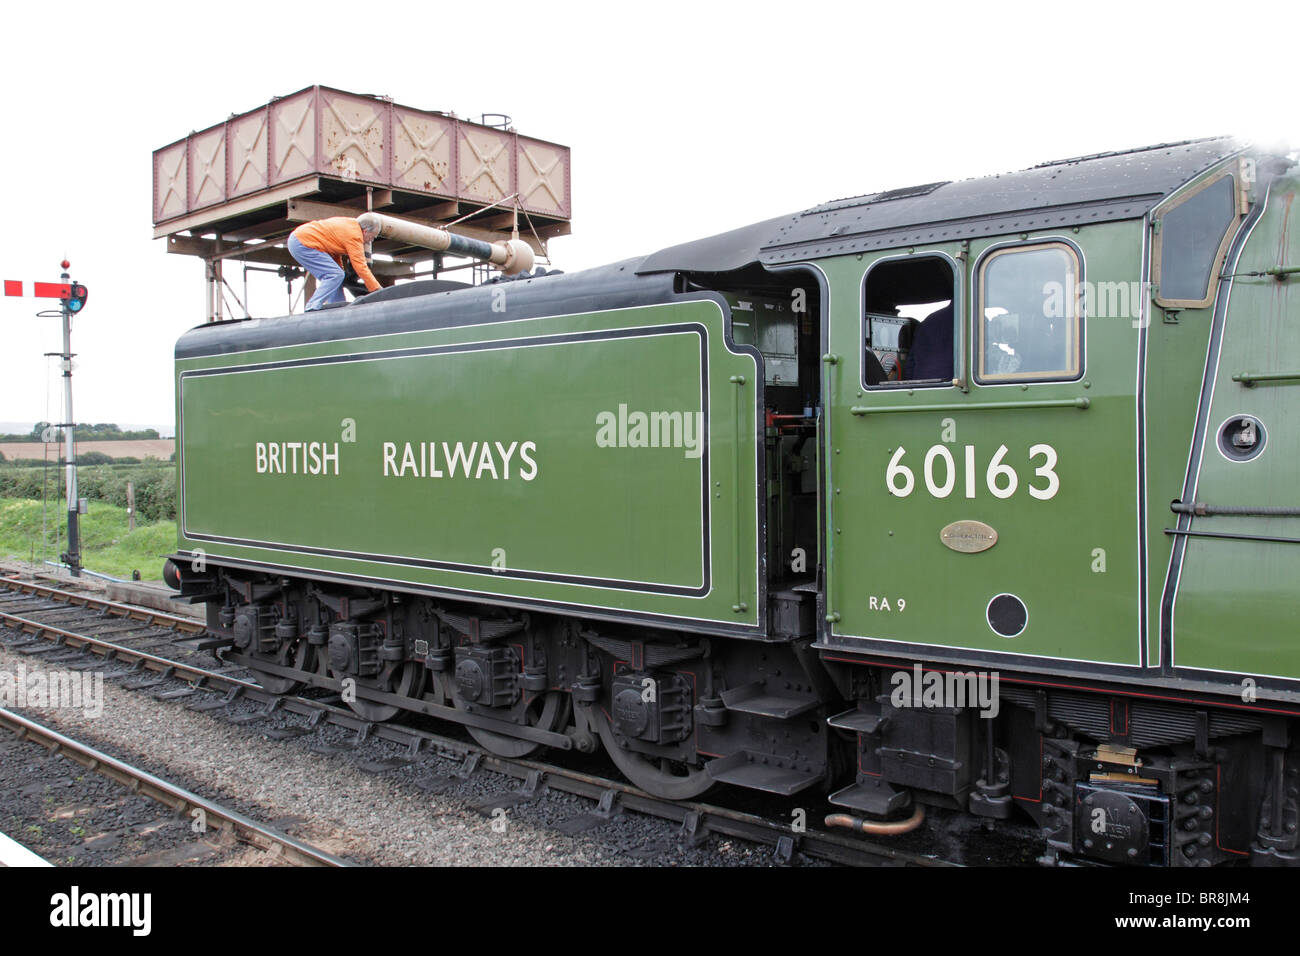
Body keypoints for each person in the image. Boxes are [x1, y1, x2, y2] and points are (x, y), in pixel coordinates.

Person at [288, 213, 383, 311]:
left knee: (337, 276)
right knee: (335, 275)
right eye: (372, 237)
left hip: (300, 240)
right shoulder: (355, 235)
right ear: (365, 231)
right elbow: (360, 266)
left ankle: (337, 306)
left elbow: (334, 252)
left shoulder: (349, 226)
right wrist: (377, 289)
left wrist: (340, 274)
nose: (370, 240)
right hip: (303, 243)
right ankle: (312, 306)